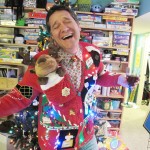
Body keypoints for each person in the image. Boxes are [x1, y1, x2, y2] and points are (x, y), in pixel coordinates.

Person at [0, 5, 138, 150]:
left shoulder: (92, 53)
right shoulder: (41, 63)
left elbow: (101, 75)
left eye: (67, 21)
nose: (64, 28)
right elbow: (21, 95)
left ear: (78, 25)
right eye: (56, 26)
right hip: (55, 142)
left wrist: (119, 79)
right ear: (52, 35)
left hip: (87, 136)